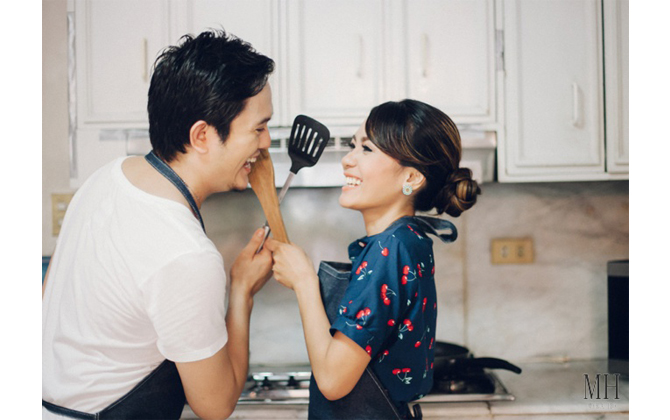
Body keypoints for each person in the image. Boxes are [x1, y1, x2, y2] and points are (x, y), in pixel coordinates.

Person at [42, 30, 275, 420]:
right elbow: (215, 406)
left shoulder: (109, 176)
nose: (266, 142)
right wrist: (242, 291)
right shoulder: (186, 255)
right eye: (258, 127)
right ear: (202, 135)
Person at [266, 99, 481, 419]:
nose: (347, 160)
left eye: (366, 150)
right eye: (353, 146)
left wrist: (303, 282)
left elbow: (332, 380)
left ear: (411, 177)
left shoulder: (389, 250)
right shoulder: (410, 239)